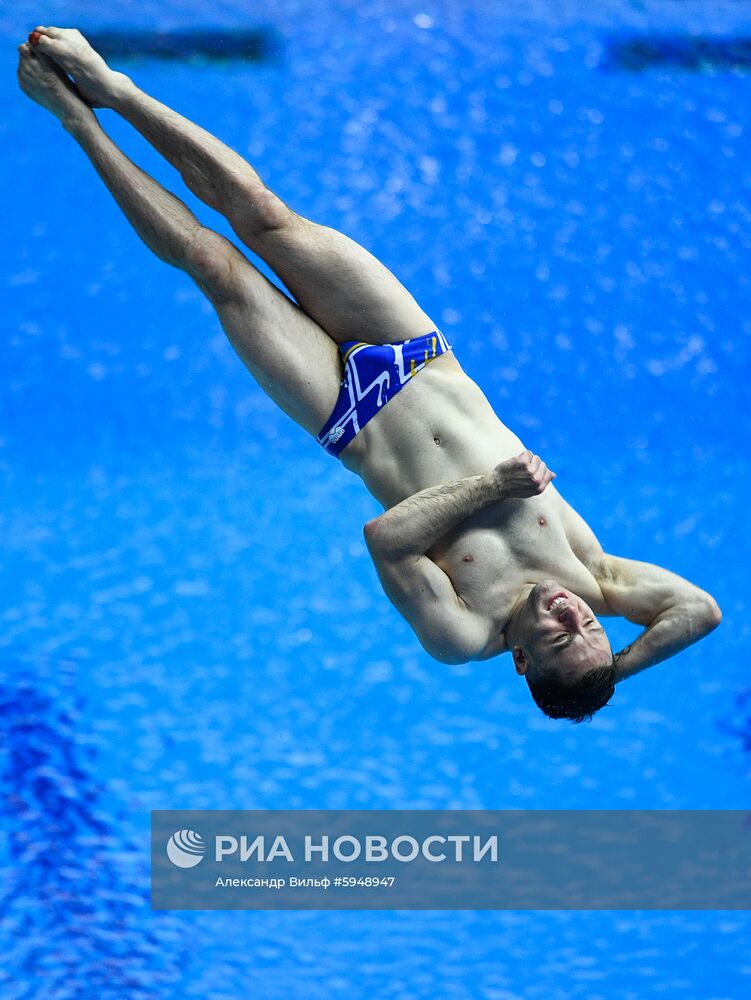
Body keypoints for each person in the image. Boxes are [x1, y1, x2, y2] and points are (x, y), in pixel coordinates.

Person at [16, 27, 722, 723]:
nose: (575, 619)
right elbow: (700, 611)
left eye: (559, 640)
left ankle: (77, 121)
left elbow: (385, 539)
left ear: (521, 661)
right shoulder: (593, 578)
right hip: (415, 351)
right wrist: (603, 677)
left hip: (345, 413)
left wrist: (493, 487)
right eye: (592, 632)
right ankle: (115, 89)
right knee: (264, 217)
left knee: (215, 267)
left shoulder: (464, 633)